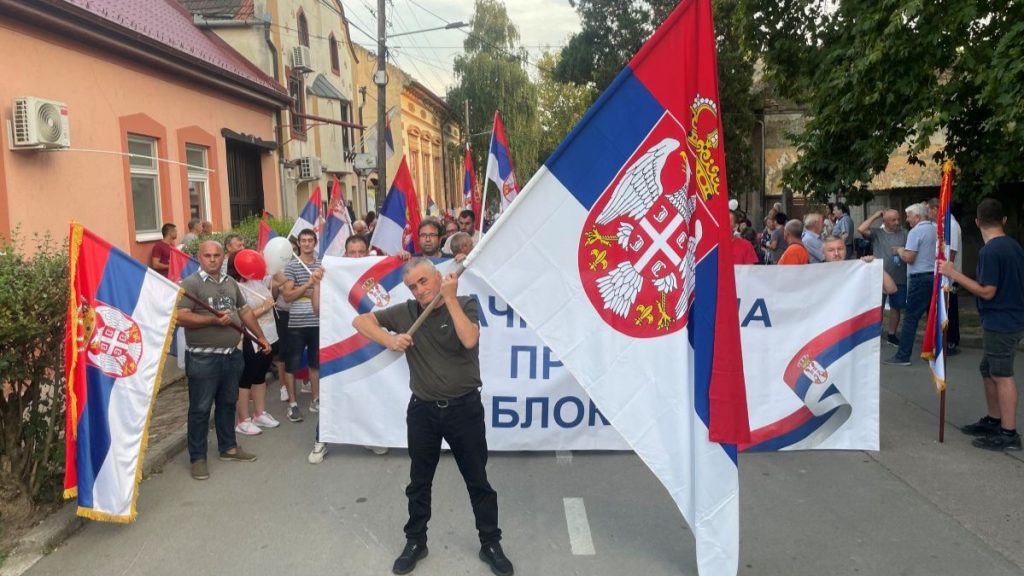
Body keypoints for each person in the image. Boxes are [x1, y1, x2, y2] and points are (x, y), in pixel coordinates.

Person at [352, 258, 513, 576]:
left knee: (477, 480)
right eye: (413, 286)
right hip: (423, 411)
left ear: (439, 277)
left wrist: (450, 298)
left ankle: (490, 543)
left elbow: (469, 339)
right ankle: (416, 541)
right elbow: (361, 321)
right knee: (419, 482)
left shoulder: (464, 303)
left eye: (424, 281)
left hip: (464, 410)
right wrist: (389, 339)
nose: (420, 290)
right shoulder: (406, 312)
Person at [176, 240, 270, 480]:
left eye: (217, 255)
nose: (213, 259)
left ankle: (228, 447)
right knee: (200, 409)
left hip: (231, 355)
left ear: (222, 258)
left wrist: (260, 336)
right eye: (207, 255)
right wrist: (211, 321)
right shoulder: (191, 284)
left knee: (228, 403)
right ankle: (198, 458)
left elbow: (245, 312)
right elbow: (180, 317)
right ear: (200, 257)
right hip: (202, 357)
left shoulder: (230, 283)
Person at [939, 199, 1023, 451]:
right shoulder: (1013, 246)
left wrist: (953, 274)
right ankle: (994, 419)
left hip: (1001, 319)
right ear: (1004, 220)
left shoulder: (991, 251)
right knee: (988, 369)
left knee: (1001, 374)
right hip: (1007, 317)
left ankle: (1009, 433)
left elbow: (987, 291)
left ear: (977, 222)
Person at [308, 235, 389, 463]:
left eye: (360, 252)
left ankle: (368, 437)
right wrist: (317, 283)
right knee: (333, 389)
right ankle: (321, 439)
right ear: (345, 254)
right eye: (351, 252)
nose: (355, 257)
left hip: (368, 343)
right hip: (339, 343)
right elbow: (317, 309)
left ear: (367, 252)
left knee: (367, 391)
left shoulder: (376, 272)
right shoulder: (332, 274)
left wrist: (402, 258)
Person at [227, 253, 281, 436]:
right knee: (247, 378)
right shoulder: (235, 286)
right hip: (251, 338)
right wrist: (265, 307)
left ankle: (259, 413)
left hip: (269, 335)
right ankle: (243, 420)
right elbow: (241, 317)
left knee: (260, 376)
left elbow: (277, 280)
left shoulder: (255, 281)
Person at [885, 203, 937, 366]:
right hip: (933, 276)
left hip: (919, 277)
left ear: (917, 216)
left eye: (908, 216)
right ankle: (935, 351)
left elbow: (909, 258)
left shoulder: (916, 232)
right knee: (933, 317)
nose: (906, 220)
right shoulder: (935, 228)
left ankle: (903, 355)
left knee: (911, 318)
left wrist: (900, 250)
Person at [282, 229, 325, 421]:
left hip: (318, 321)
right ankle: (292, 404)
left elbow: (326, 292)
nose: (307, 244)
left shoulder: (322, 265)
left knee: (316, 362)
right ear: (298, 243)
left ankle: (316, 398)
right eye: (303, 241)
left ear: (315, 243)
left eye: (310, 240)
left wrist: (304, 291)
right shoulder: (291, 266)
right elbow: (287, 296)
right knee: (292, 363)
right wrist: (308, 285)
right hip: (297, 323)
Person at [858, 209, 909, 347]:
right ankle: (875, 333)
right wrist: (875, 215)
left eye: (898, 219)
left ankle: (891, 334)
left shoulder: (905, 233)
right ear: (884, 222)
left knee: (896, 307)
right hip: (878, 277)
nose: (897, 222)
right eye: (893, 220)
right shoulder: (877, 233)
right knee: (877, 306)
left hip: (899, 275)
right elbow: (861, 228)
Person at [929, 198, 963, 355]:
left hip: (950, 276)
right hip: (945, 274)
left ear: (936, 209)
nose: (929, 213)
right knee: (945, 308)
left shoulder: (952, 225)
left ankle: (951, 341)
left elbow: (952, 251)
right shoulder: (943, 224)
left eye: (930, 209)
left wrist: (948, 272)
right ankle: (945, 338)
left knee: (951, 308)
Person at [823, 236, 897, 294]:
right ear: (823, 253)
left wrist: (877, 266)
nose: (836, 253)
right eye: (831, 250)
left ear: (846, 250)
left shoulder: (857, 271)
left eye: (840, 249)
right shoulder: (816, 275)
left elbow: (891, 289)